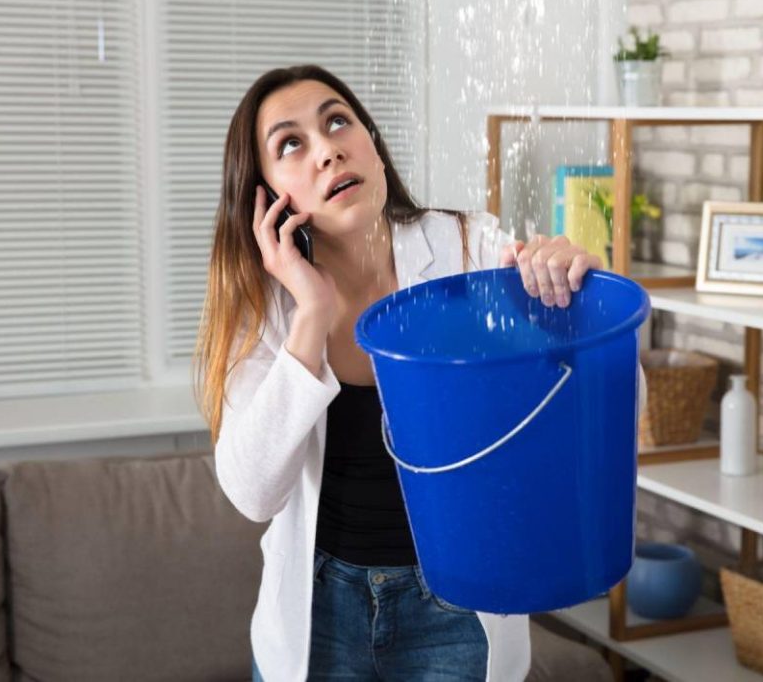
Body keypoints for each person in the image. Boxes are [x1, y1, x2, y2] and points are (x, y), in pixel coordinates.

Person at [195, 64, 602, 682]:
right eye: (291, 144)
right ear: (267, 199)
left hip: (458, 606)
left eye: (337, 123)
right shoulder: (264, 308)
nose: (327, 149)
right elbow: (253, 495)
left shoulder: (471, 251)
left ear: (376, 154)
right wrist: (312, 315)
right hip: (317, 612)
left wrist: (576, 309)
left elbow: (602, 407)